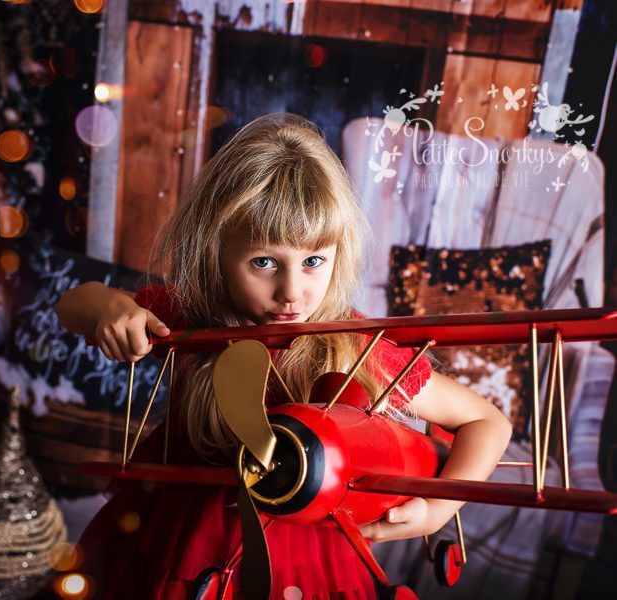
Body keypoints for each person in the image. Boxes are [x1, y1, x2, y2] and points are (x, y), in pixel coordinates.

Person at [55, 113, 512, 599]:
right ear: (217, 250)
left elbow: (488, 423)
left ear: (338, 254)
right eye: (264, 262)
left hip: (305, 551)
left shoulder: (355, 346)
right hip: (181, 525)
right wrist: (109, 308)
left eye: (313, 261)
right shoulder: (192, 314)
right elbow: (72, 304)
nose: (291, 292)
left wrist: (437, 511)